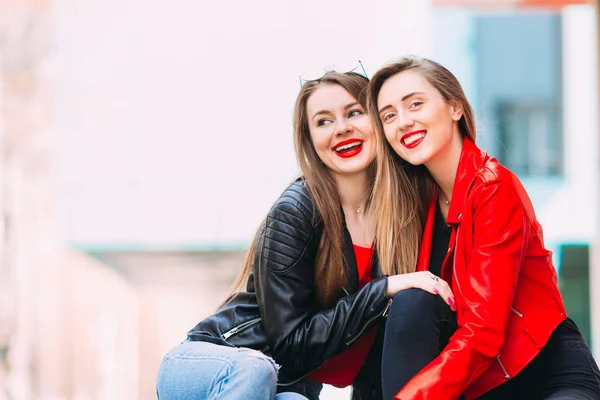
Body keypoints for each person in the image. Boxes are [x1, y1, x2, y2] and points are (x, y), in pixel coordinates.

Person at [155, 68, 456, 400]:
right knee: (255, 370)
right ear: (311, 140)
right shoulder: (297, 210)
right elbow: (289, 346)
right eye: (323, 121)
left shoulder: (399, 222)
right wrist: (383, 289)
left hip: (285, 388)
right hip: (208, 366)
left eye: (354, 112)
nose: (341, 129)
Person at [367, 55, 600, 400]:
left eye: (415, 104)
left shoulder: (494, 188)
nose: (403, 121)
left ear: (455, 107)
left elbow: (483, 331)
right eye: (389, 116)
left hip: (546, 376)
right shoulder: (411, 208)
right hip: (476, 385)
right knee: (412, 302)